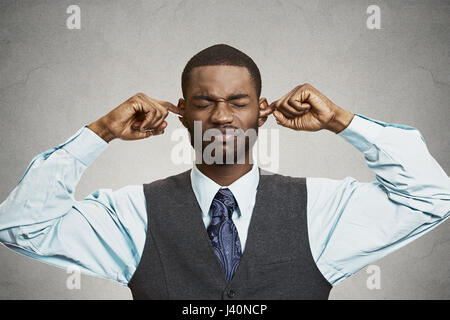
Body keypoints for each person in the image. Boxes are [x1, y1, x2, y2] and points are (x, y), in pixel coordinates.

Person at [0, 44, 449, 300]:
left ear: (263, 111)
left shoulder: (321, 209)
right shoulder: (132, 213)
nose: (221, 117)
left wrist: (339, 120)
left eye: (238, 102)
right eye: (203, 102)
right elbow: (21, 228)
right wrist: (98, 133)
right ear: (180, 113)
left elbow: (432, 198)